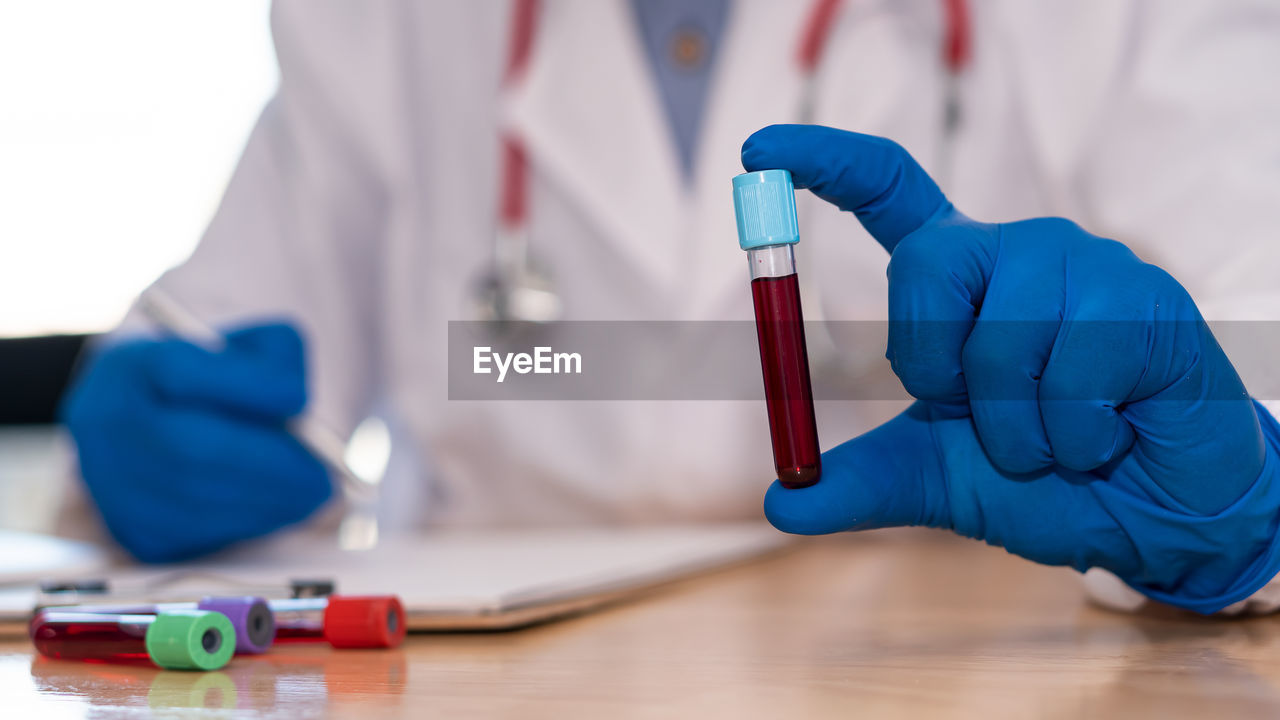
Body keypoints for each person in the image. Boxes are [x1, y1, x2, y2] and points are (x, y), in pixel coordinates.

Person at [61, 1, 1280, 615]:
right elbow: (227, 342)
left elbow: (1261, 326)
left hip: (973, 673)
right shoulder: (391, 19)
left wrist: (1244, 491)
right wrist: (136, 446)